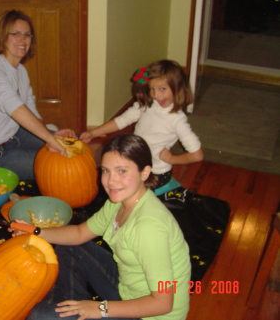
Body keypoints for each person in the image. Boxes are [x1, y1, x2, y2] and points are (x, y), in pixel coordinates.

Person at [11, 134, 191, 320]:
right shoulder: (120, 201)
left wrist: (100, 309)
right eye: (106, 171)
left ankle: (74, 310)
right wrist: (35, 231)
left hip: (148, 313)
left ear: (144, 172)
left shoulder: (149, 228)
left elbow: (163, 303)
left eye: (122, 171)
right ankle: (75, 308)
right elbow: (80, 233)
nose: (111, 181)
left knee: (42, 316)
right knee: (68, 246)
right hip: (127, 288)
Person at [0, 9, 75, 180]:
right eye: (16, 34)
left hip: (15, 136)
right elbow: (14, 107)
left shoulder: (21, 71)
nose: (23, 40)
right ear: (2, 36)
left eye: (27, 35)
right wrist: (49, 139)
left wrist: (51, 135)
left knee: (68, 146)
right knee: (60, 167)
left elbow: (31, 111)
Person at [80, 60, 203, 193]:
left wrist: (172, 159)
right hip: (135, 163)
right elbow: (122, 121)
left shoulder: (177, 121)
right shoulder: (146, 105)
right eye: (152, 89)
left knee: (136, 201)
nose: (156, 95)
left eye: (163, 89)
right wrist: (94, 133)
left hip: (156, 173)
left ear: (177, 88)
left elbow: (197, 155)